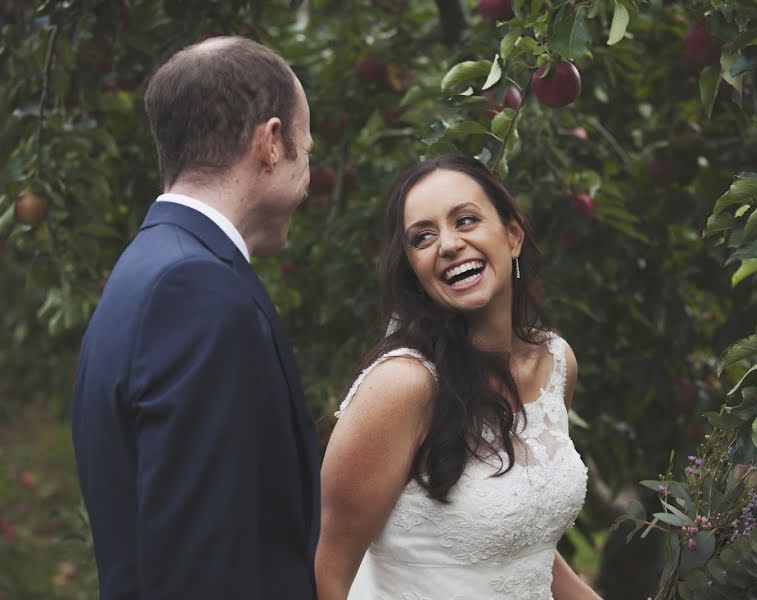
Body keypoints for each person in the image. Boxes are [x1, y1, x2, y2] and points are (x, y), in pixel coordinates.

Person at [71, 37, 320, 599]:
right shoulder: (194, 290)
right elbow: (202, 568)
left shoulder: (153, 268)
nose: (309, 170)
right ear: (272, 142)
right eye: (307, 145)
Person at [316, 155, 602, 600]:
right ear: (413, 268)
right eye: (423, 237)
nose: (448, 244)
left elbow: (526, 548)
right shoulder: (402, 387)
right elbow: (327, 573)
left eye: (466, 220)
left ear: (513, 236)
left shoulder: (556, 363)